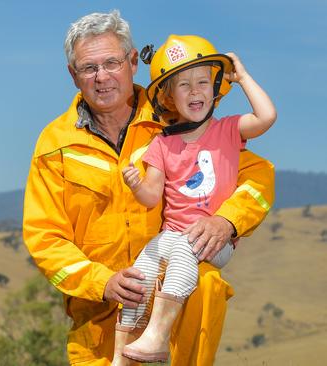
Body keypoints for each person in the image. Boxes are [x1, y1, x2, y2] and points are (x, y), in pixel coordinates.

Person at [22, 10, 274, 366]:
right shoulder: (55, 145)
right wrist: (103, 282)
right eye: (89, 68)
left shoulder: (177, 121)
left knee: (203, 282)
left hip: (182, 309)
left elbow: (257, 175)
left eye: (112, 62)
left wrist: (227, 221)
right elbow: (44, 238)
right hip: (101, 320)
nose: (102, 77)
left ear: (132, 62)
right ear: (72, 75)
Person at [118, 35, 276, 363]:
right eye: (184, 85)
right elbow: (150, 197)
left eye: (203, 82)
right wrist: (135, 185)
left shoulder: (229, 130)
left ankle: (157, 337)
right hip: (173, 236)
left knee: (180, 249)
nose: (195, 91)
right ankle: (122, 357)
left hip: (213, 243)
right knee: (140, 272)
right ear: (169, 97)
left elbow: (267, 116)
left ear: (216, 88)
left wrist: (243, 77)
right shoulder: (161, 145)